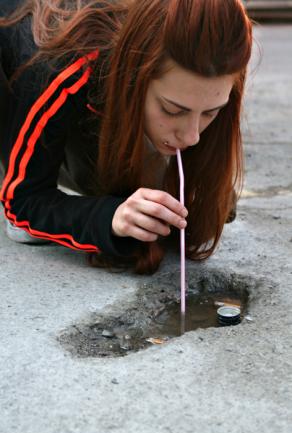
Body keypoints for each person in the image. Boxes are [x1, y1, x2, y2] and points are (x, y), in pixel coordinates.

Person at [0, 0, 253, 274]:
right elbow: (21, 204)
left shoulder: (217, 63)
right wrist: (109, 217)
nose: (191, 136)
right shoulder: (68, 63)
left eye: (210, 113)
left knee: (215, 206)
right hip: (26, 40)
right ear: (134, 75)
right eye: (173, 109)